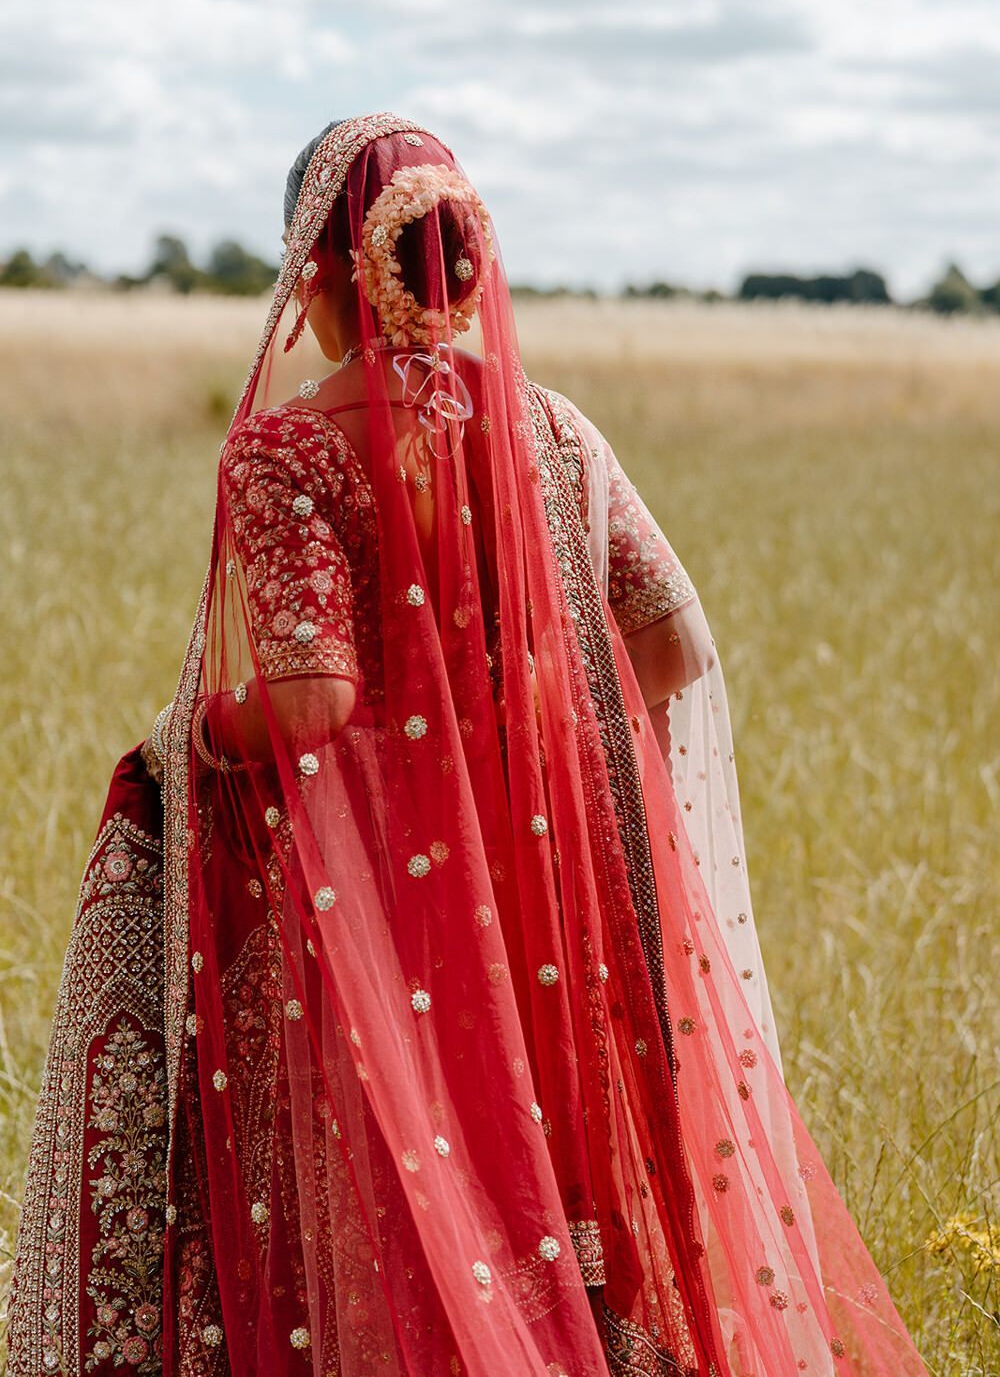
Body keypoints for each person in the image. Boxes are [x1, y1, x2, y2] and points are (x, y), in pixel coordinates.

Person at [7, 113, 928, 1375]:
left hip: (384, 917)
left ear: (317, 267)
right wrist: (553, 772)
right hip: (562, 902)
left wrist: (190, 734)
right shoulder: (552, 433)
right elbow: (673, 644)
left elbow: (314, 700)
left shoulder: (289, 448)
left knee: (407, 1205)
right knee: (565, 1195)